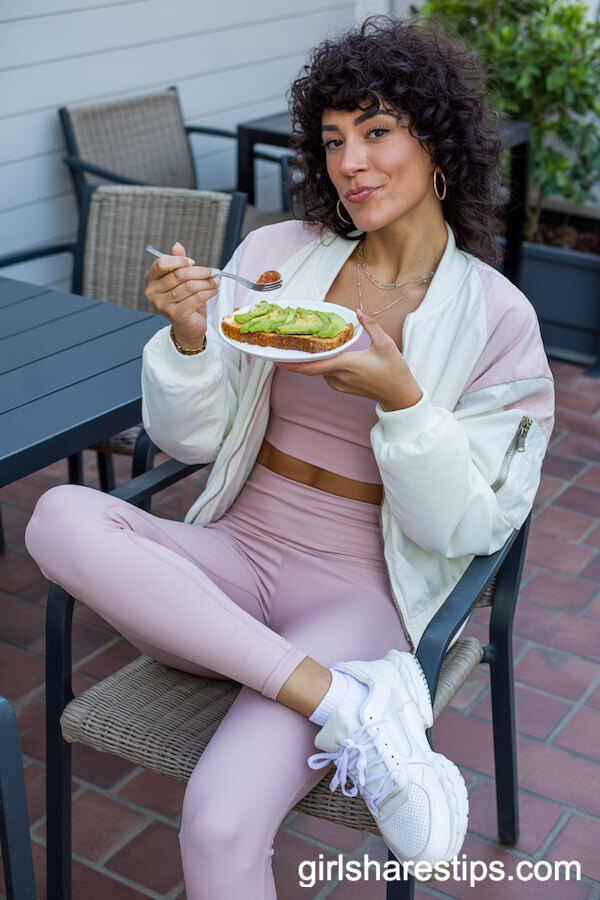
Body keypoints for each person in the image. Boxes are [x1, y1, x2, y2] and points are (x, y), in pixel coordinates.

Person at [25, 16, 554, 900]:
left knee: (220, 821)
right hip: (235, 556)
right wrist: (191, 338)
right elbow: (191, 443)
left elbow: (470, 525)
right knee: (58, 513)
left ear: (438, 144)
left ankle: (327, 683)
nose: (352, 162)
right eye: (335, 138)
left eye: (378, 131)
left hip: (361, 590)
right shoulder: (273, 261)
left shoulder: (498, 318)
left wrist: (403, 398)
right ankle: (347, 708)